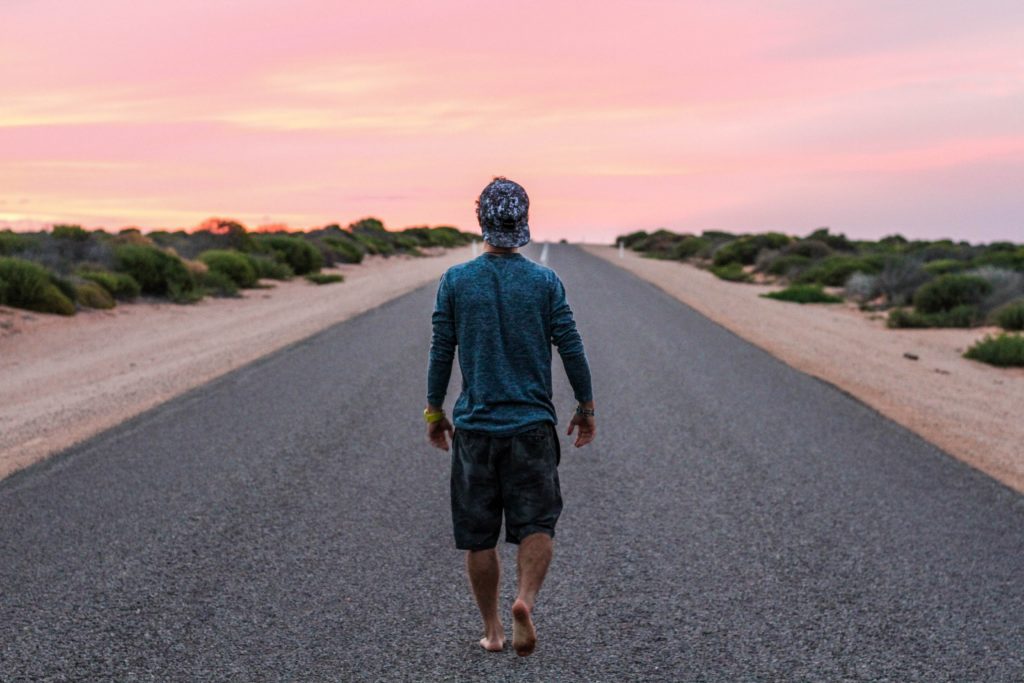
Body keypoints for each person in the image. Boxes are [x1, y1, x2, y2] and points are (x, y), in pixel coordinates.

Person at [424, 177, 595, 657]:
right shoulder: (544, 281)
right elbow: (571, 346)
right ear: (523, 222)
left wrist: (434, 410)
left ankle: (494, 630)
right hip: (531, 429)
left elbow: (442, 349)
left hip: (476, 429)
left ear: (481, 219)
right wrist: (585, 406)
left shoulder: (456, 280)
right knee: (537, 524)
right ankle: (525, 600)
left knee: (479, 536)